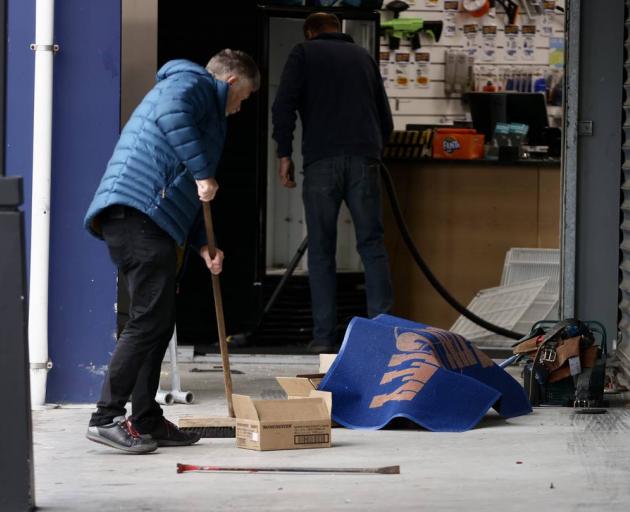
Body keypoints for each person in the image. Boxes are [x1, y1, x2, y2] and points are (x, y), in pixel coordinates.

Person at [83, 50, 260, 454]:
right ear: (231, 83)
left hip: (157, 220)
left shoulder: (209, 120)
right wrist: (203, 172)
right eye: (244, 98)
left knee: (160, 321)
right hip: (135, 212)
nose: (240, 108)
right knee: (148, 317)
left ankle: (145, 418)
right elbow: (170, 115)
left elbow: (190, 190)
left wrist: (203, 245)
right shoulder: (189, 82)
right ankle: (105, 418)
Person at [271, 12, 394, 354]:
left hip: (321, 162)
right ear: (338, 30)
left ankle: (324, 337)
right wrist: (372, 152)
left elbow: (283, 107)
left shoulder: (303, 53)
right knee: (372, 245)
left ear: (310, 32)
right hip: (364, 161)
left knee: (322, 250)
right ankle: (383, 332)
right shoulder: (364, 57)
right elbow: (385, 118)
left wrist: (285, 154)